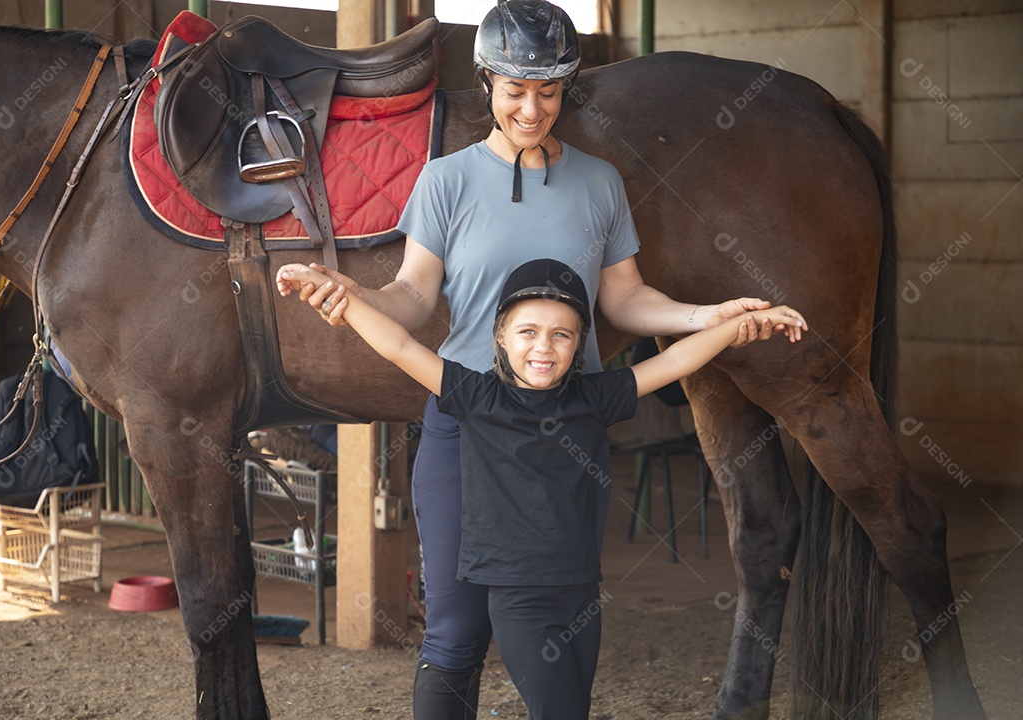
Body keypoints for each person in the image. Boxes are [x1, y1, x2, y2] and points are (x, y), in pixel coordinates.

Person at [293, 2, 806, 716]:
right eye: (514, 89)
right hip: (466, 423)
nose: (532, 108)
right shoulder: (446, 180)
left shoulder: (598, 183)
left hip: (568, 434)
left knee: (559, 628)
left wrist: (706, 316)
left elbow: (624, 300)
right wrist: (355, 299)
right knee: (454, 631)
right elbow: (412, 298)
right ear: (487, 84)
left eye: (549, 90)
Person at [277, 258, 806, 719]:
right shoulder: (474, 394)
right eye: (528, 332)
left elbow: (672, 362)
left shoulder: (592, 399)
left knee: (570, 709)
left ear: (578, 345)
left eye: (561, 334)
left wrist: (741, 326)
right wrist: (339, 297)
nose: (543, 348)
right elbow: (396, 344)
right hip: (519, 596)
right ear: (501, 338)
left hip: (580, 592)